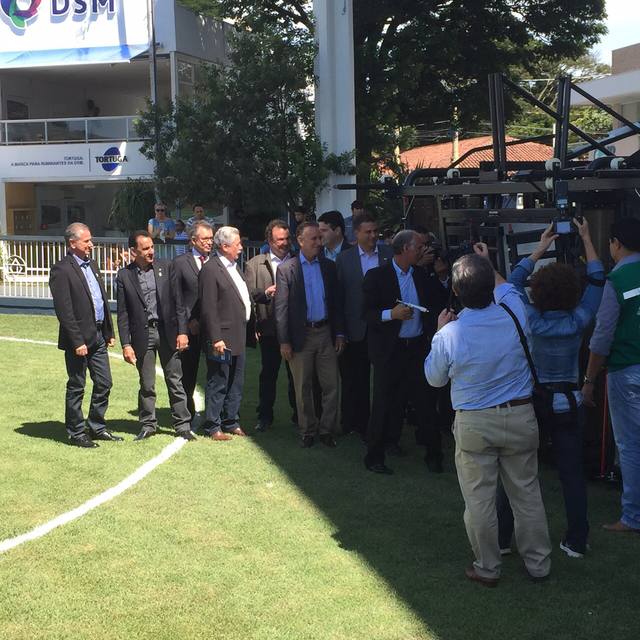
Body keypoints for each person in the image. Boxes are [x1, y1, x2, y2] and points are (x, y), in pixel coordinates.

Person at [425, 246, 552, 586]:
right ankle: (538, 563)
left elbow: (434, 378)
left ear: (455, 291)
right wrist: (487, 261)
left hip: (475, 421)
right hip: (520, 414)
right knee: (526, 494)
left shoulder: (450, 333)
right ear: (491, 286)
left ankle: (487, 566)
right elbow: (508, 283)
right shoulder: (514, 310)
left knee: (479, 500)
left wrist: (439, 330)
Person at [496, 219, 604, 559]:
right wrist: (587, 238)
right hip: (569, 402)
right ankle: (576, 538)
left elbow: (511, 285)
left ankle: (502, 537)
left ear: (538, 291)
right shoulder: (579, 319)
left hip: (533, 401)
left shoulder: (530, 319)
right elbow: (598, 279)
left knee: (515, 472)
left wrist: (539, 249)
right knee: (572, 475)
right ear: (572, 292)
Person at [362, 230, 445, 474]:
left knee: (426, 403)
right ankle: (374, 456)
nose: (423, 250)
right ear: (405, 249)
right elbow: (366, 314)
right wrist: (392, 314)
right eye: (419, 246)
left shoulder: (422, 275)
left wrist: (441, 276)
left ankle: (434, 455)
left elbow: (437, 303)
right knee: (383, 403)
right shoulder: (377, 276)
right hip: (390, 351)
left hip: (416, 348)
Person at [582, 216, 640, 534]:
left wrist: (589, 381)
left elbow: (602, 337)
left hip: (627, 372)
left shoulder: (616, 281)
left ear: (616, 243)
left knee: (630, 445)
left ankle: (633, 516)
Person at [116, 231, 195, 441]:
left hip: (168, 332)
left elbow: (179, 303)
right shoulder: (124, 275)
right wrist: (126, 344)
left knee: (175, 380)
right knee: (147, 384)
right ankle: (148, 424)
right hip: (143, 335)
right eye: (146, 248)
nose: (151, 251)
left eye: (152, 247)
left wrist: (182, 332)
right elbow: (123, 314)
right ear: (134, 251)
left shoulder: (167, 267)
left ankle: (183, 425)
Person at [274, 221, 345, 448]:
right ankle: (307, 430)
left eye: (319, 238)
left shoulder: (328, 267)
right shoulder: (287, 269)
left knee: (331, 385)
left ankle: (327, 430)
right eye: (313, 239)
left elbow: (336, 304)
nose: (318, 242)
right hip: (301, 335)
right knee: (302, 386)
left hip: (325, 332)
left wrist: (340, 333)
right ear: (300, 241)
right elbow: (281, 308)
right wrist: (284, 341)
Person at [49, 223, 120, 448]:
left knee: (104, 382)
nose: (91, 244)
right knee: (77, 385)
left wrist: (108, 330)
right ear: (72, 244)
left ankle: (97, 427)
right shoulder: (62, 269)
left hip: (98, 336)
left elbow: (101, 301)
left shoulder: (92, 265)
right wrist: (77, 341)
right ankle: (76, 432)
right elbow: (65, 310)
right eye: (86, 241)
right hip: (78, 340)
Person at [336, 213, 392, 438]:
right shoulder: (345, 259)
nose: (373, 236)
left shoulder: (387, 255)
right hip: (355, 328)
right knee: (354, 380)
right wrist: (340, 331)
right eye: (367, 232)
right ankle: (355, 423)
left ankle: (381, 424)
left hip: (382, 327)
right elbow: (339, 297)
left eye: (375, 231)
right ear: (356, 234)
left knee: (383, 380)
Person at [199, 226, 255, 440]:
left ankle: (231, 420)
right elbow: (208, 307)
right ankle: (213, 425)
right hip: (221, 337)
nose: (241, 247)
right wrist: (215, 338)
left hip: (239, 333)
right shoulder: (211, 269)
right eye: (237, 244)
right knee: (218, 380)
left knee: (236, 381)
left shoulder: (234, 267)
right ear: (224, 246)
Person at [244, 219, 297, 431]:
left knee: (296, 376)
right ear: (269, 240)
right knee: (268, 375)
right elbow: (247, 296)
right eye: (279, 240)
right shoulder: (255, 264)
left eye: (286, 239)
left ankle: (298, 416)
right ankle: (265, 416)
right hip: (268, 328)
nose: (284, 243)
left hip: (294, 329)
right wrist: (265, 295)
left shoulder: (299, 260)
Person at [172, 220, 215, 420]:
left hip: (213, 328)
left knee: (217, 372)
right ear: (193, 240)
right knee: (188, 373)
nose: (209, 242)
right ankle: (186, 413)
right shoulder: (180, 263)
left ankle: (216, 413)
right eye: (205, 238)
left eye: (211, 238)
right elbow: (177, 297)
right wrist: (188, 322)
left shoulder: (216, 262)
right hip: (190, 328)